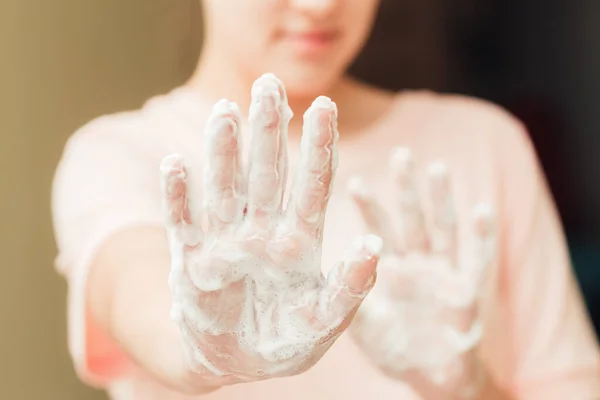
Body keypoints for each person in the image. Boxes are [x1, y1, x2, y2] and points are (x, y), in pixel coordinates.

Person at [51, 0, 600, 399]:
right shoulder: (119, 155)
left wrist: (468, 388)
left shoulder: (485, 142)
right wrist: (203, 345)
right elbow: (137, 296)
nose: (320, 7)